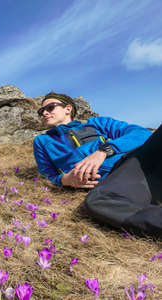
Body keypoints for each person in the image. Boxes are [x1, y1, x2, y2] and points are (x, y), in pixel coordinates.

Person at [33, 92, 161, 237]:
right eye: (41, 111)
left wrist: (104, 151)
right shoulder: (42, 141)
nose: (44, 112)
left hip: (134, 162)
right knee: (96, 203)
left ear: (67, 109)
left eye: (50, 107)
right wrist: (65, 180)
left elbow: (141, 133)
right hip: (116, 184)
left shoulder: (96, 123)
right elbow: (47, 174)